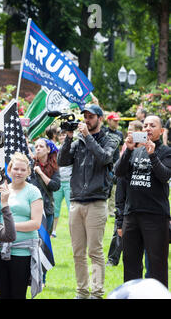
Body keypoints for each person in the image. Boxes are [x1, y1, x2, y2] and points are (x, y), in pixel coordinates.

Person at [57, 103, 119, 299]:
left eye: (91, 117)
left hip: (96, 202)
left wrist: (88, 137)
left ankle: (97, 293)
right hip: (76, 202)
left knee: (95, 250)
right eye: (85, 116)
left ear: (100, 119)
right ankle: (82, 292)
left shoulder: (111, 139)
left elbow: (104, 158)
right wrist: (68, 138)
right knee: (77, 252)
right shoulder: (78, 141)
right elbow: (62, 160)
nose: (86, 120)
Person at [114, 115, 171, 288]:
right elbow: (118, 172)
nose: (147, 128)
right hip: (132, 215)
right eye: (145, 125)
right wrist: (128, 150)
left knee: (157, 265)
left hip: (156, 216)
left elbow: (165, 176)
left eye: (152, 125)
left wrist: (153, 155)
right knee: (130, 263)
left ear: (161, 131)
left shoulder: (166, 151)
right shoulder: (135, 150)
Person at [0, 152, 44, 299]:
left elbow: (36, 223)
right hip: (0, 250)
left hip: (22, 251)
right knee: (3, 294)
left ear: (28, 172)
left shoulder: (33, 191)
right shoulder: (1, 189)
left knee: (17, 294)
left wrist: (9, 227)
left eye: (23, 170)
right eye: (16, 169)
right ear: (9, 169)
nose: (18, 172)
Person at [107, 120, 143, 267]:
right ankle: (112, 258)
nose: (129, 132)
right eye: (128, 129)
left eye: (132, 130)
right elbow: (118, 169)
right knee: (119, 224)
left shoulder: (145, 148)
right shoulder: (126, 146)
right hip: (123, 187)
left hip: (137, 191)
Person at [31, 138, 60, 234]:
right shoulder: (30, 165)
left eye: (41, 146)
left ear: (48, 150)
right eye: (36, 147)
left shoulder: (54, 167)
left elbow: (56, 186)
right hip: (31, 209)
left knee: (45, 243)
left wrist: (41, 173)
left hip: (47, 209)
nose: (38, 149)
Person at [52, 129, 72, 238]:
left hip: (69, 181)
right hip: (58, 182)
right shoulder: (55, 149)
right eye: (60, 135)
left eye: (64, 134)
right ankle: (53, 231)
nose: (62, 137)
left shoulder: (72, 147)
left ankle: (73, 231)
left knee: (71, 208)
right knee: (55, 207)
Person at [104, 112, 124, 217]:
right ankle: (103, 208)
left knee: (114, 187)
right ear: (109, 121)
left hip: (115, 163)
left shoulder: (120, 134)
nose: (117, 123)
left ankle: (111, 211)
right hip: (104, 162)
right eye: (114, 121)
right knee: (104, 185)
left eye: (117, 121)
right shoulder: (104, 131)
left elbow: (120, 148)